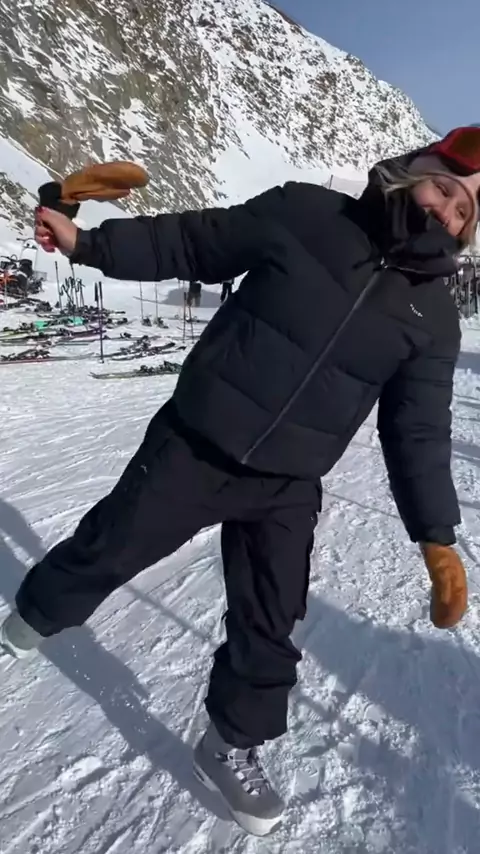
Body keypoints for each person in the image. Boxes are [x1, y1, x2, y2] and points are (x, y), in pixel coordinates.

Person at [1, 127, 475, 836]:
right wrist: (87, 245)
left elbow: (418, 430)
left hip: (288, 485)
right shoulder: (308, 213)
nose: (447, 211)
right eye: (445, 188)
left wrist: (435, 535)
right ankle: (30, 621)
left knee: (270, 623)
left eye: (466, 211)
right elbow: (193, 242)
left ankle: (229, 744)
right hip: (199, 443)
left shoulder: (433, 317)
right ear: (415, 172)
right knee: (108, 547)